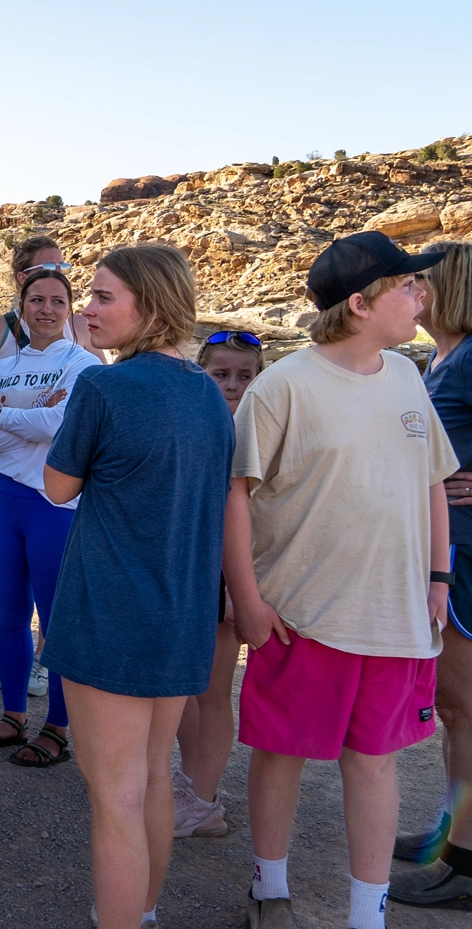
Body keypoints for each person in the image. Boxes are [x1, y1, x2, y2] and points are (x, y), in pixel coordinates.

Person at [226, 230, 455, 929]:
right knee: (282, 755)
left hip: (395, 618)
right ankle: (270, 893)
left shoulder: (409, 376)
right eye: (408, 286)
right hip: (303, 614)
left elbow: (433, 484)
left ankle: (368, 915)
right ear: (360, 303)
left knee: (376, 763)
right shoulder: (282, 386)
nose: (422, 295)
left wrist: (439, 577)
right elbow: (237, 492)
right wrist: (248, 600)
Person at [41, 245, 235, 928]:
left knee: (114, 798)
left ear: (148, 307)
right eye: (89, 297)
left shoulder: (102, 387)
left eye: (102, 298)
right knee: (154, 780)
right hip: (182, 619)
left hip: (111, 618)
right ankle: (143, 911)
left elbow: (58, 486)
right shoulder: (206, 392)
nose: (87, 311)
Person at [0, 267, 101, 766]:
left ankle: (57, 729)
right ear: (21, 306)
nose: (46, 309)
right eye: (36, 300)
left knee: (56, 621)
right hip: (1, 502)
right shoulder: (2, 368)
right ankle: (13, 716)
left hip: (54, 506)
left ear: (71, 310)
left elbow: (62, 424)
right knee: (11, 614)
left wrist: (7, 415)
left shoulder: (83, 365)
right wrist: (31, 420)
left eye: (57, 301)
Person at [390, 239, 472, 908]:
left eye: (418, 283)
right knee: (454, 708)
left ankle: (466, 866)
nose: (408, 294)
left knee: (467, 709)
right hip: (444, 553)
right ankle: (450, 834)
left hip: (468, 558)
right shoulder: (441, 356)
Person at [173, 330, 264, 838]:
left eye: (244, 376)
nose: (232, 385)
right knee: (181, 685)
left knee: (212, 691)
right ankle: (192, 784)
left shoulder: (259, 430)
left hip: (228, 575)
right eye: (221, 374)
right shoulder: (197, 421)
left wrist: (238, 588)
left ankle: (204, 800)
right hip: (187, 569)